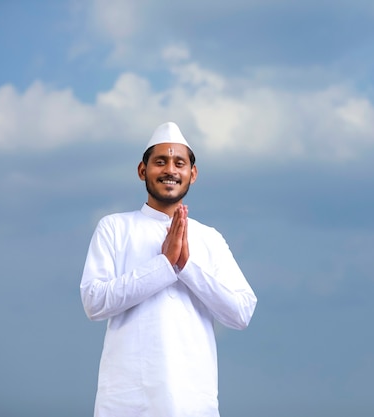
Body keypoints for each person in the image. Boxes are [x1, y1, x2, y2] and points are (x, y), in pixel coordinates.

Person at [80, 121, 257, 417]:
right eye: (160, 162)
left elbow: (242, 312)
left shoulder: (209, 238)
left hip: (192, 400)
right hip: (127, 401)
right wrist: (163, 265)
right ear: (142, 170)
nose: (170, 170)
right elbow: (93, 303)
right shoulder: (114, 227)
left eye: (179, 163)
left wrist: (186, 267)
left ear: (193, 174)